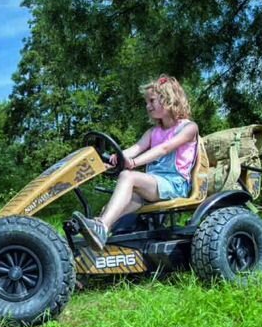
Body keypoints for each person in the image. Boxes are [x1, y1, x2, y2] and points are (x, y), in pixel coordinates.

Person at [73, 74, 199, 251]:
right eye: (147, 102)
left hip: (175, 184)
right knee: (109, 210)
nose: (148, 106)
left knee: (128, 176)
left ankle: (101, 228)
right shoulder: (153, 132)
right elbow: (135, 148)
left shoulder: (188, 128)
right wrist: (117, 158)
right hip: (154, 185)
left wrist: (132, 163)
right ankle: (87, 244)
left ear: (169, 99)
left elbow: (164, 149)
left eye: (152, 101)